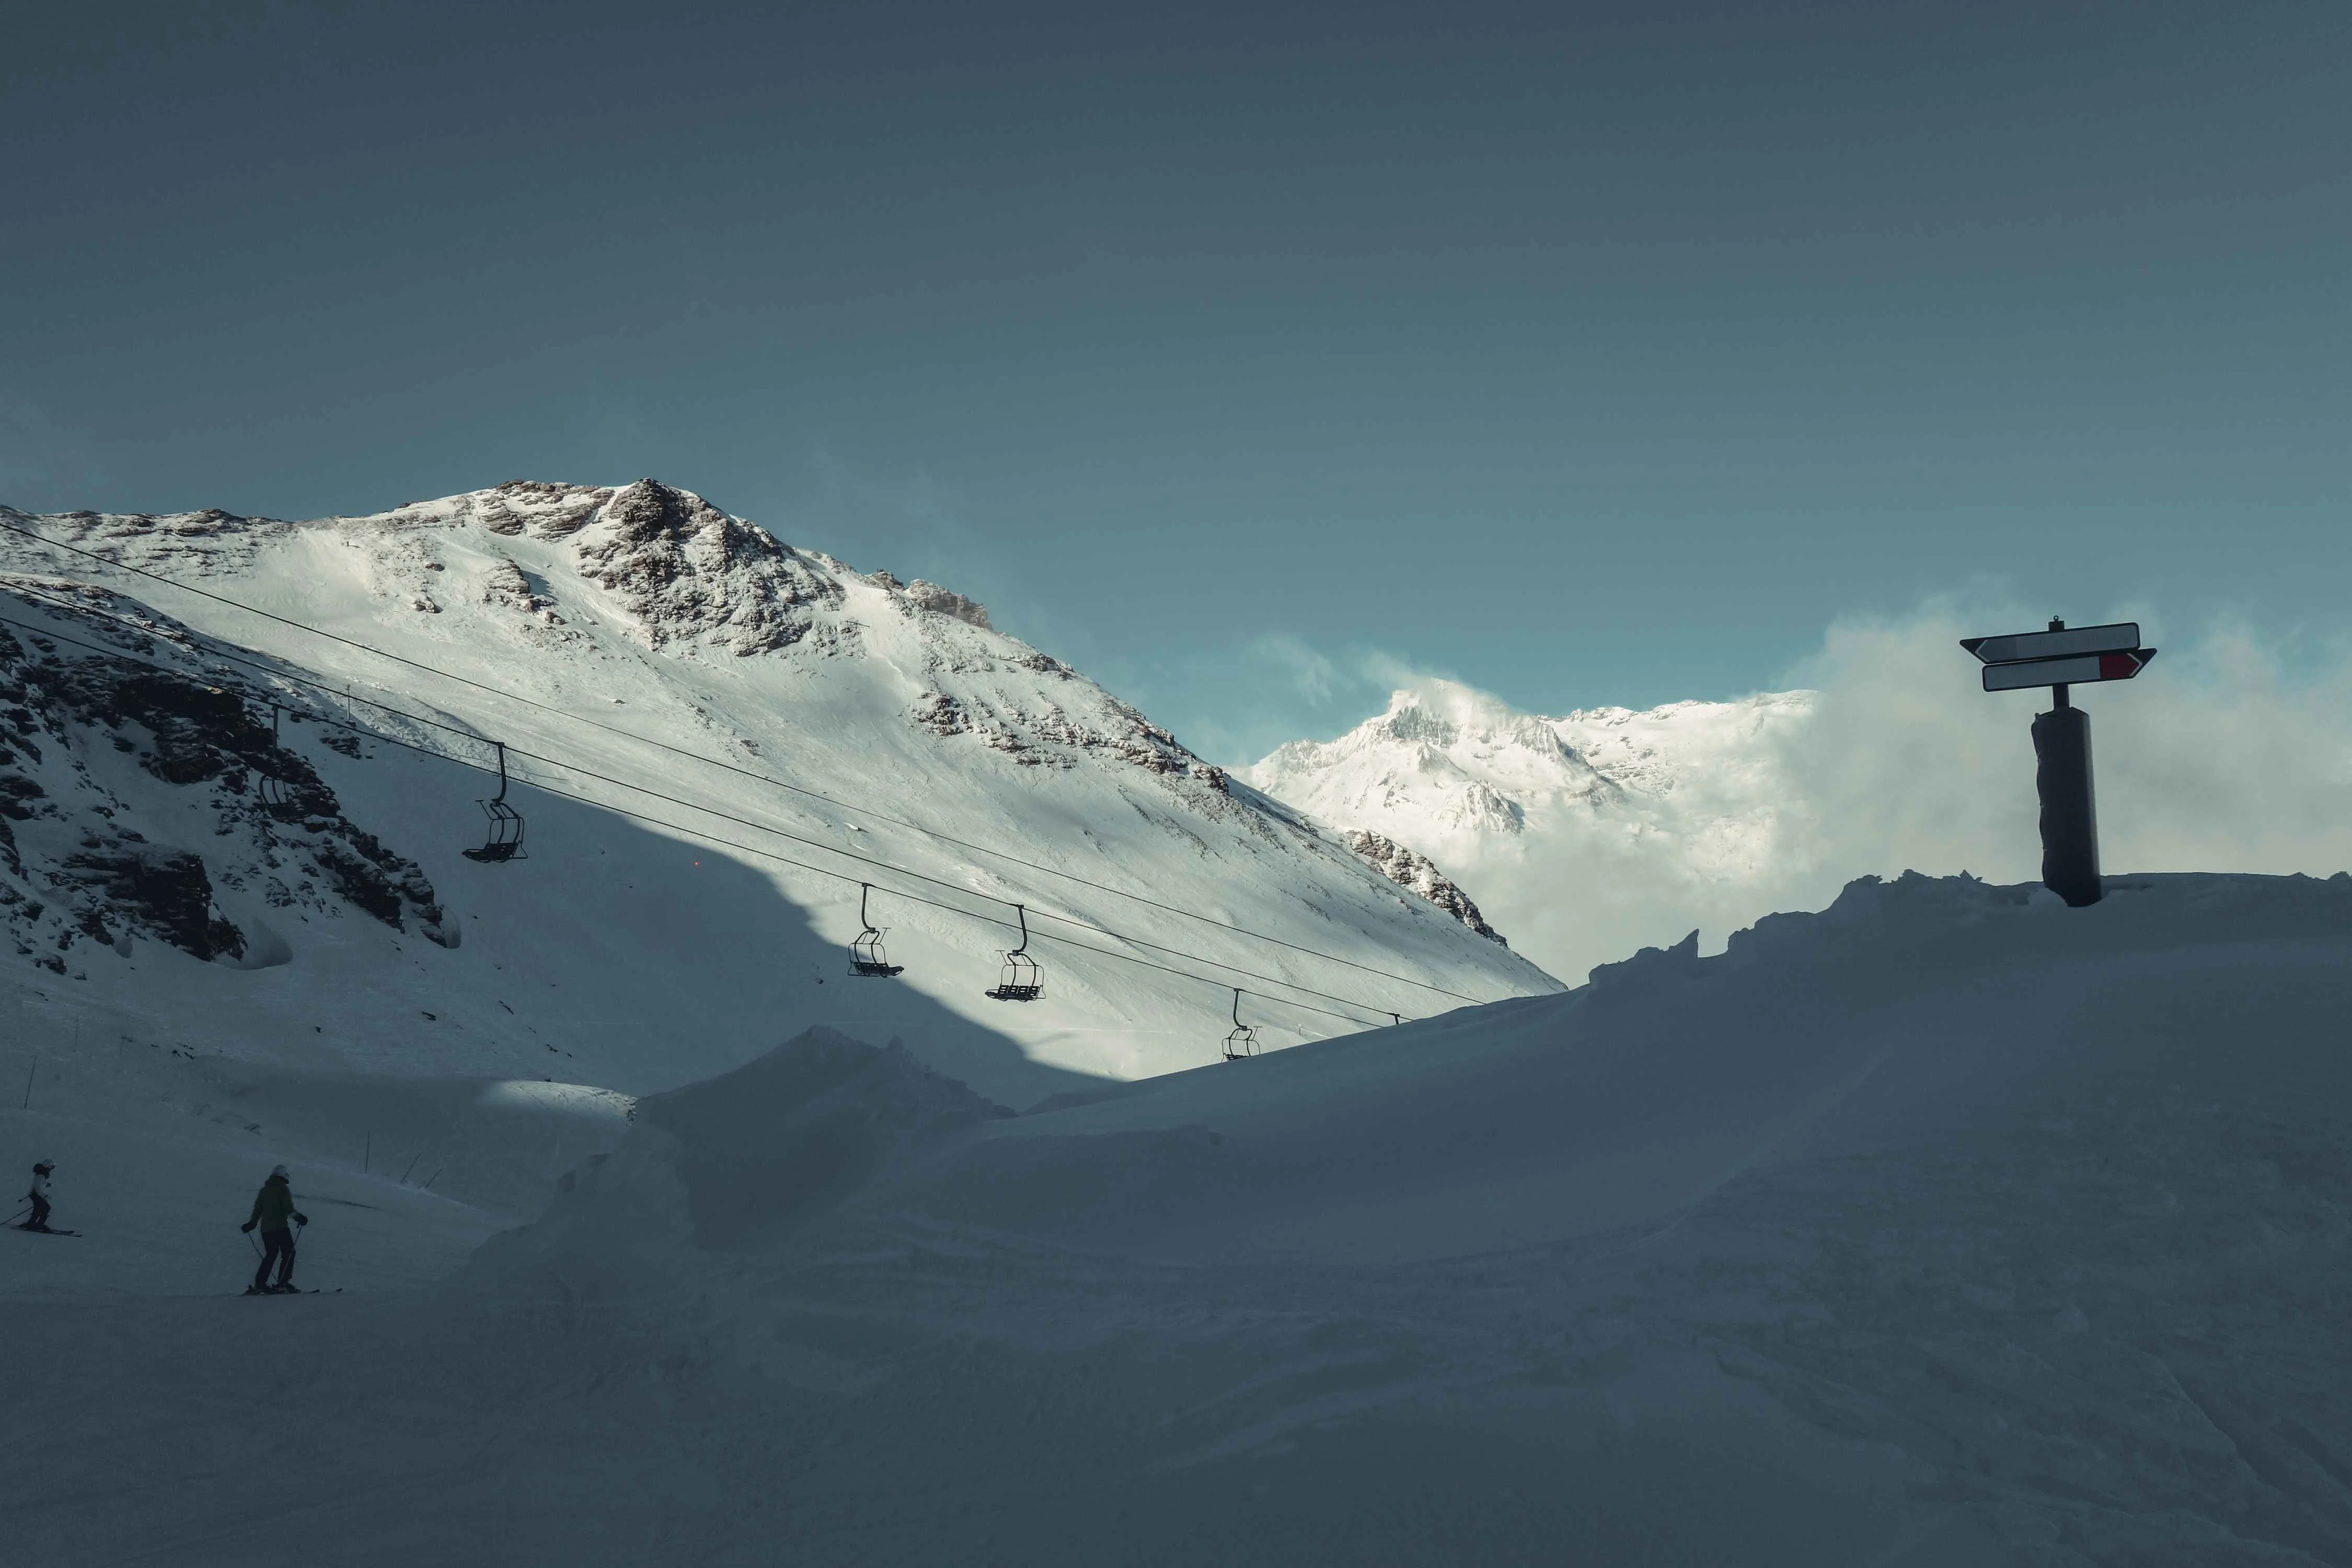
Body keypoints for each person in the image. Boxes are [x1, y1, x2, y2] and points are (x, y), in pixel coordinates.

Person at [241, 1163, 309, 1294]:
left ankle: (260, 1283)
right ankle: (282, 1283)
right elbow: (288, 1209)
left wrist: (252, 1224)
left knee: (271, 1254)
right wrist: (300, 1218)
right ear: (284, 1177)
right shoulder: (283, 1189)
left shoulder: (264, 1190)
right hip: (280, 1228)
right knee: (289, 1253)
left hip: (266, 1230)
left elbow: (257, 1210)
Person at [21, 1161, 54, 1231]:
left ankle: (31, 1223)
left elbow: (39, 1185)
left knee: (38, 1209)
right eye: (52, 1168)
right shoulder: (41, 1176)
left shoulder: (41, 1175)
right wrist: (45, 1196)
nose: (52, 1170)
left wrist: (46, 1184)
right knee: (47, 1208)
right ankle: (39, 1225)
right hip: (36, 1195)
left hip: (35, 1195)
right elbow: (38, 1188)